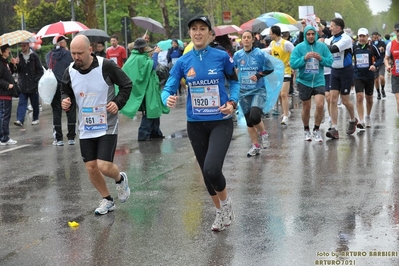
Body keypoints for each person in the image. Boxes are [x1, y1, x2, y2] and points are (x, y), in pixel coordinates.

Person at [161, 15, 239, 232]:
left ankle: (226, 204)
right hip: (195, 124)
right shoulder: (184, 61)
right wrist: (166, 98)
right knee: (206, 174)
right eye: (194, 28)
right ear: (189, 33)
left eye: (202, 29)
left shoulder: (222, 56)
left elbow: (234, 82)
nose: (198, 32)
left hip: (220, 121)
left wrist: (232, 103)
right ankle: (219, 212)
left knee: (213, 169)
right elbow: (168, 87)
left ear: (210, 33)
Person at [60, 35, 132, 215]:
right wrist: (65, 101)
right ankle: (107, 200)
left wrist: (117, 102)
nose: (76, 57)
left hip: (107, 123)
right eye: (73, 53)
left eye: (80, 53)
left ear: (90, 50)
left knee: (104, 165)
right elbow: (65, 91)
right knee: (91, 167)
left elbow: (126, 85)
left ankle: (120, 178)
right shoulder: (69, 70)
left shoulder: (105, 65)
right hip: (86, 126)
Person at [233, 30, 276, 156]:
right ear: (242, 40)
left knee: (255, 116)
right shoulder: (237, 55)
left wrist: (258, 75)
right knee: (249, 121)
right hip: (243, 91)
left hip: (258, 90)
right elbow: (232, 70)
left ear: (253, 40)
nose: (246, 39)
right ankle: (255, 146)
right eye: (244, 37)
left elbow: (270, 68)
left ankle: (264, 134)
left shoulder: (260, 54)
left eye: (248, 37)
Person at [290, 25, 333, 142]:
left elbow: (330, 61)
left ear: (316, 34)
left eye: (313, 34)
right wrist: (304, 58)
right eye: (308, 34)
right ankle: (306, 129)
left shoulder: (322, 47)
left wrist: (321, 59)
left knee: (320, 105)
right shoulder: (299, 48)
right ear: (305, 35)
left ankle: (317, 129)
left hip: (319, 80)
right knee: (306, 107)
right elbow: (293, 63)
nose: (311, 36)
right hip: (304, 80)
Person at [120, 38, 168, 141]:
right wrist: (155, 54)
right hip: (147, 88)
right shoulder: (139, 58)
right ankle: (144, 134)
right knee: (150, 110)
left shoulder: (135, 56)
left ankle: (155, 133)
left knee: (154, 110)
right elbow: (153, 66)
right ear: (142, 48)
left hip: (148, 87)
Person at [324, 18, 357, 139]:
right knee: (332, 100)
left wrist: (323, 44)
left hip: (346, 71)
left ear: (339, 28)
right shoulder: (331, 38)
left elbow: (333, 49)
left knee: (345, 101)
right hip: (334, 71)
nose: (330, 28)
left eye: (332, 26)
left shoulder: (346, 39)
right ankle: (334, 128)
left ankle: (353, 120)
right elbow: (324, 40)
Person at [45, 35, 76, 146]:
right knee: (71, 110)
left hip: (55, 86)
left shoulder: (49, 55)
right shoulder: (69, 54)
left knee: (56, 111)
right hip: (68, 85)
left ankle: (59, 139)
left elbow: (49, 67)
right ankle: (71, 137)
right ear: (62, 43)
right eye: (65, 42)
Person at [353, 28, 383, 130]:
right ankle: (361, 120)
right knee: (359, 97)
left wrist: (375, 65)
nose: (361, 38)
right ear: (358, 37)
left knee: (369, 98)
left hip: (369, 76)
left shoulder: (372, 48)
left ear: (367, 37)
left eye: (363, 36)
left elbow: (380, 58)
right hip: (358, 76)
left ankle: (368, 116)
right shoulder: (354, 47)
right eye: (360, 36)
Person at [266, 25, 295, 125]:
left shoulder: (286, 44)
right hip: (276, 73)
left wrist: (292, 62)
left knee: (283, 94)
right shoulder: (272, 43)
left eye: (270, 33)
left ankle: (285, 116)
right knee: (279, 95)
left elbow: (295, 52)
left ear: (274, 33)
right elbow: (268, 51)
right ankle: (286, 111)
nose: (269, 35)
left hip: (286, 72)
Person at [12, 41, 43, 127]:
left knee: (35, 103)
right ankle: (20, 119)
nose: (23, 47)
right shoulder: (19, 57)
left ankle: (35, 118)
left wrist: (35, 80)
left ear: (28, 46)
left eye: (24, 46)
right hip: (23, 85)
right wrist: (15, 65)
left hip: (32, 85)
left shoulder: (34, 56)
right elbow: (16, 70)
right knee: (22, 102)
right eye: (22, 46)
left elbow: (40, 70)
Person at [0, 44, 18, 145]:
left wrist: (12, 65)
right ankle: (4, 137)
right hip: (3, 93)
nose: (9, 51)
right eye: (7, 50)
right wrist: (7, 85)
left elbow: (7, 74)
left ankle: (4, 136)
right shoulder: (0, 63)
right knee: (3, 116)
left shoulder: (4, 63)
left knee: (5, 116)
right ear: (2, 52)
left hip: (7, 94)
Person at [385, 22, 399, 114]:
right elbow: (386, 58)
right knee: (398, 101)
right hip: (396, 75)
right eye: (398, 31)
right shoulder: (391, 44)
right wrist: (388, 65)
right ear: (395, 31)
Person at [371, 32, 386, 99]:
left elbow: (386, 53)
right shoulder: (370, 44)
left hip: (381, 63)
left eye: (377, 38)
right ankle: (378, 92)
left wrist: (383, 50)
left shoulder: (382, 43)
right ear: (372, 38)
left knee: (381, 77)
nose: (376, 39)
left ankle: (382, 89)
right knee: (376, 80)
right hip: (374, 64)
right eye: (374, 38)